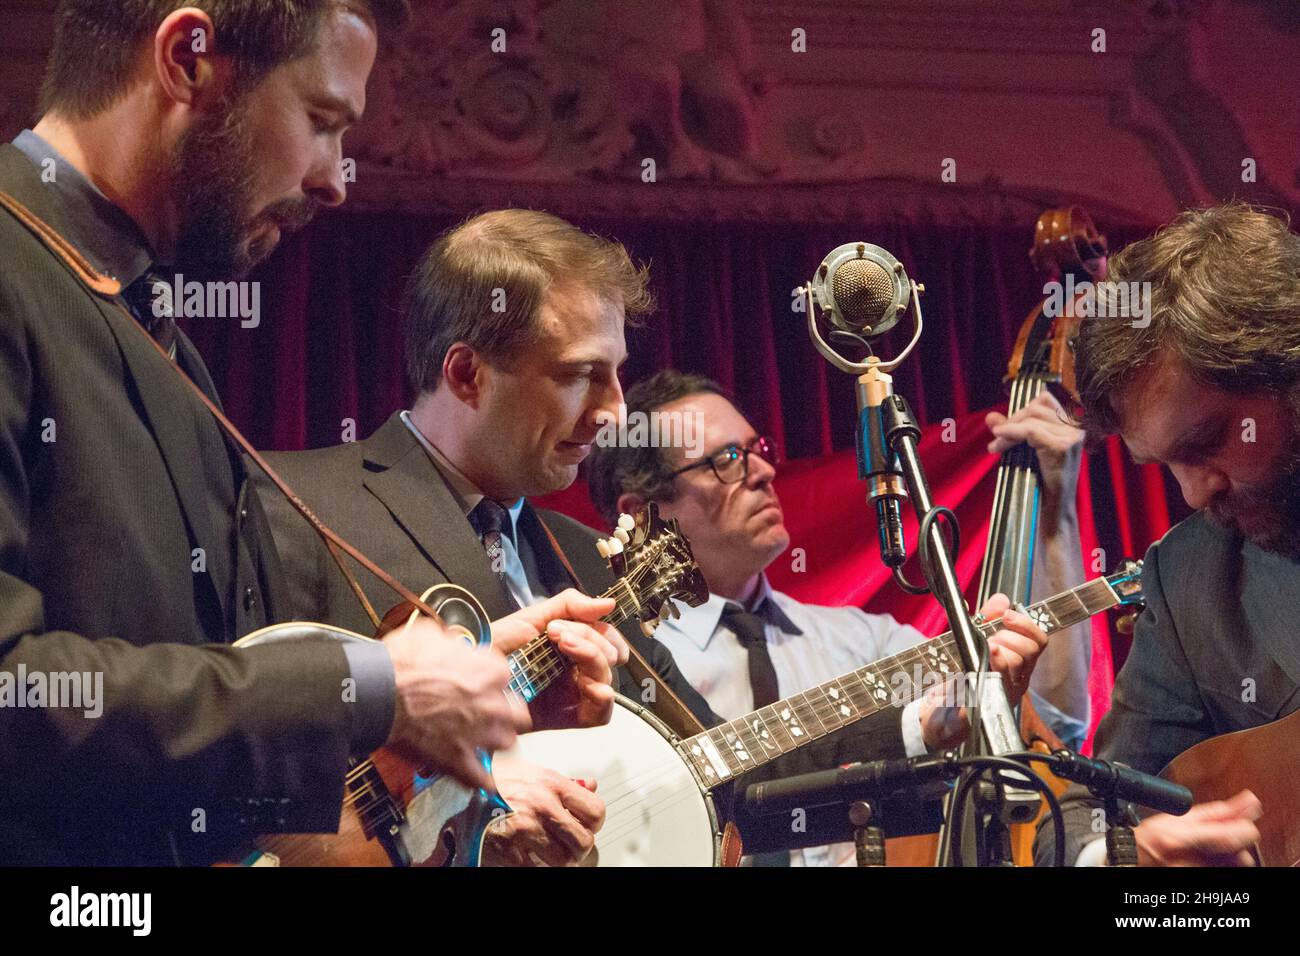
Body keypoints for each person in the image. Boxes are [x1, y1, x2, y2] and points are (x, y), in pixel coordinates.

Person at [0, 0, 619, 866]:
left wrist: (479, 686)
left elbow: (201, 727)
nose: (334, 179)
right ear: (187, 57)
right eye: (323, 121)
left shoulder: (156, 339)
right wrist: (371, 686)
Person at [258, 207, 1049, 864]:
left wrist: (926, 719)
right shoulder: (297, 501)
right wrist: (476, 808)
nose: (611, 411)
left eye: (617, 373)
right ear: (466, 374)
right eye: (579, 375)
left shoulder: (580, 556)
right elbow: (222, 749)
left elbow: (725, 764)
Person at [586, 369, 1086, 864]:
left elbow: (1052, 721)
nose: (764, 472)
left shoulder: (860, 641)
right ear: (647, 511)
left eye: (758, 450)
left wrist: (1057, 517)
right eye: (728, 460)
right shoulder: (623, 667)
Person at [1034, 202, 1300, 866]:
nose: (1192, 492)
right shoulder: (1191, 581)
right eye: (1165, 465)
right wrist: (1126, 859)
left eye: (1209, 442)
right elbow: (1081, 816)